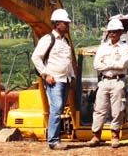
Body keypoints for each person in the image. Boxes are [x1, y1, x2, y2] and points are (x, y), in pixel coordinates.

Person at [31, 8, 75, 151]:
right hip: (54, 80)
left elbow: (67, 61)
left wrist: (72, 76)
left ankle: (55, 139)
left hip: (65, 80)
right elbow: (36, 57)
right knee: (56, 108)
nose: (67, 25)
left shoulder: (65, 41)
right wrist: (46, 74)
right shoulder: (48, 39)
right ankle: (53, 141)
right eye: (65, 23)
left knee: (60, 108)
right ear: (57, 24)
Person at [88, 18, 128, 148]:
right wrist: (113, 65)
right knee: (99, 109)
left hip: (118, 82)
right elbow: (96, 64)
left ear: (120, 33)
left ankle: (115, 136)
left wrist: (106, 64)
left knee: (117, 110)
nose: (112, 34)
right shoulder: (102, 47)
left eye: (115, 32)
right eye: (110, 32)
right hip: (104, 81)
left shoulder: (125, 48)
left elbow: (123, 64)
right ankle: (96, 136)